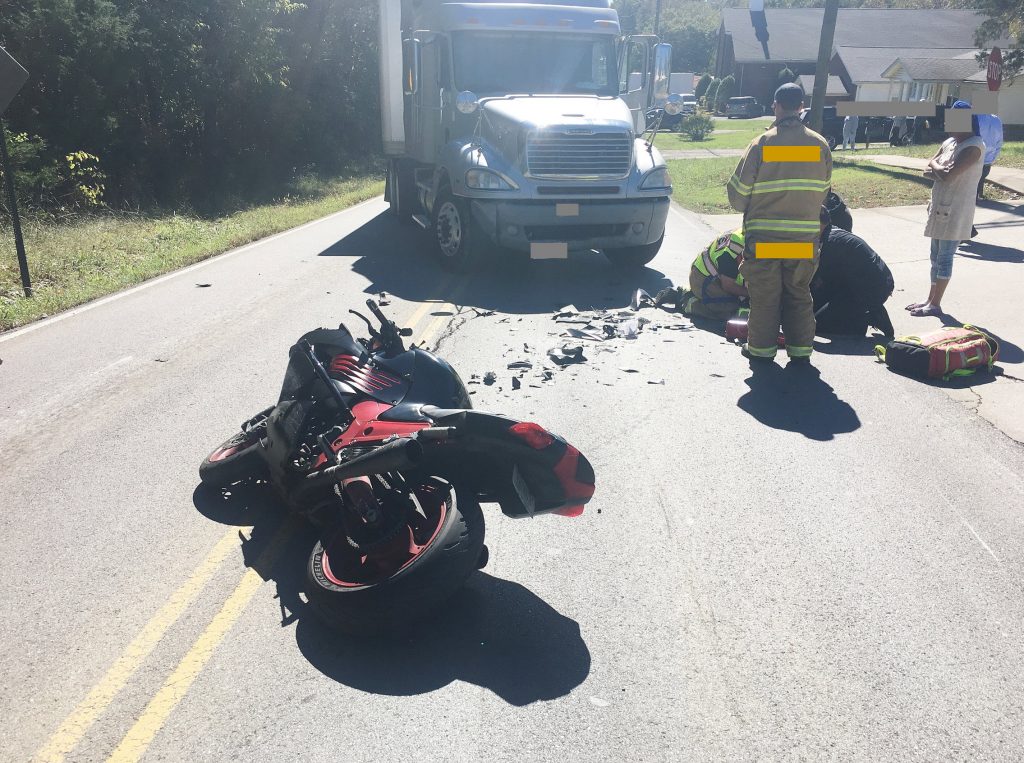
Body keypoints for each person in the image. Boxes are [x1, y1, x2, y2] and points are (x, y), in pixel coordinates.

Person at [726, 82, 832, 363]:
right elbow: (823, 193)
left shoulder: (763, 144)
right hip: (802, 243)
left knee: (765, 298)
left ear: (776, 105)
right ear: (801, 106)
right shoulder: (819, 146)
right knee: (799, 294)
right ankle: (800, 352)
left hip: (765, 242)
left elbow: (738, 196)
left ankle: (760, 352)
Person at [906, 100, 985, 317]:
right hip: (939, 205)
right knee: (934, 255)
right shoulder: (950, 142)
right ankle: (929, 298)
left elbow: (949, 177)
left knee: (945, 257)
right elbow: (927, 167)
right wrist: (937, 166)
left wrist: (938, 169)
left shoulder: (974, 146)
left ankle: (936, 303)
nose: (948, 125)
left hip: (957, 210)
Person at [812, 206, 895, 337]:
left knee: (818, 325)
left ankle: (869, 317)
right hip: (872, 282)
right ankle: (862, 312)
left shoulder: (831, 242)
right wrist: (769, 250)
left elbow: (816, 278)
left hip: (873, 289)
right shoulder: (830, 233)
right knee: (816, 309)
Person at [664, 229, 748, 320]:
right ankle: (684, 298)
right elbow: (728, 285)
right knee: (729, 312)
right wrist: (752, 294)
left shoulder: (758, 245)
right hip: (704, 278)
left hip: (723, 277)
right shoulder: (732, 252)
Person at [976, 112, 1003, 199]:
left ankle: (976, 196)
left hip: (975, 155)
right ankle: (980, 194)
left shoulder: (974, 117)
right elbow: (1000, 140)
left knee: (973, 180)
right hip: (988, 158)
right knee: (982, 177)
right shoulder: (997, 120)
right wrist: (994, 156)